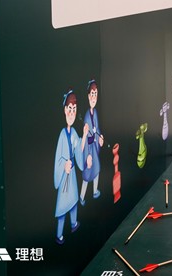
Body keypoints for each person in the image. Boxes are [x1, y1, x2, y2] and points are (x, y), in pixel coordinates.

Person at [53, 90, 87, 244]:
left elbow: (78, 147)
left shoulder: (73, 132)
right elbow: (58, 158)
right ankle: (59, 235)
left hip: (72, 174)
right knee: (62, 208)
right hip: (64, 174)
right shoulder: (62, 134)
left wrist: (84, 135)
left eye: (74, 109)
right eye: (70, 109)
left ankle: (73, 224)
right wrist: (64, 165)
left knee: (73, 201)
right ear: (65, 110)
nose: (72, 113)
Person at [80, 80, 103, 205]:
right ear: (88, 96)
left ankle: (95, 191)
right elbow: (87, 137)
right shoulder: (87, 117)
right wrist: (88, 155)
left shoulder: (95, 113)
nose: (94, 97)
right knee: (86, 175)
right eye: (92, 94)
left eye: (96, 94)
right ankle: (81, 197)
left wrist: (100, 137)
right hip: (89, 149)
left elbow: (97, 130)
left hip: (94, 147)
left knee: (96, 168)